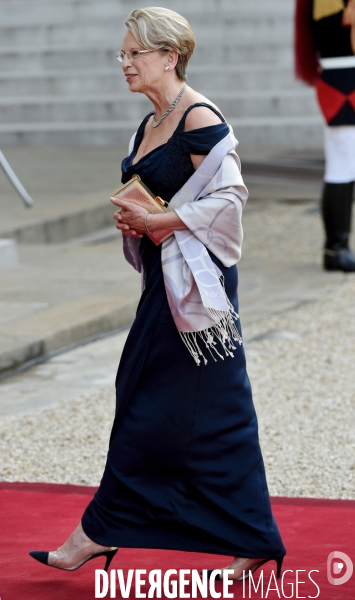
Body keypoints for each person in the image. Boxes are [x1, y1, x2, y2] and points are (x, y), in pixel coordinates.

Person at [29, 7, 286, 580]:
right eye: (121, 53)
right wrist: (139, 221)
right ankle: (235, 534)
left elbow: (230, 202)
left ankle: (96, 534)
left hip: (200, 291)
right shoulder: (148, 123)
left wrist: (160, 223)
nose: (124, 63)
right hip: (164, 287)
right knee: (155, 399)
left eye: (134, 53)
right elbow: (158, 200)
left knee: (194, 409)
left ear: (169, 56)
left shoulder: (199, 116)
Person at [295, 0, 355, 272]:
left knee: (344, 163)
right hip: (343, 79)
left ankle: (337, 247)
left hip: (341, 76)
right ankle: (336, 248)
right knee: (342, 164)